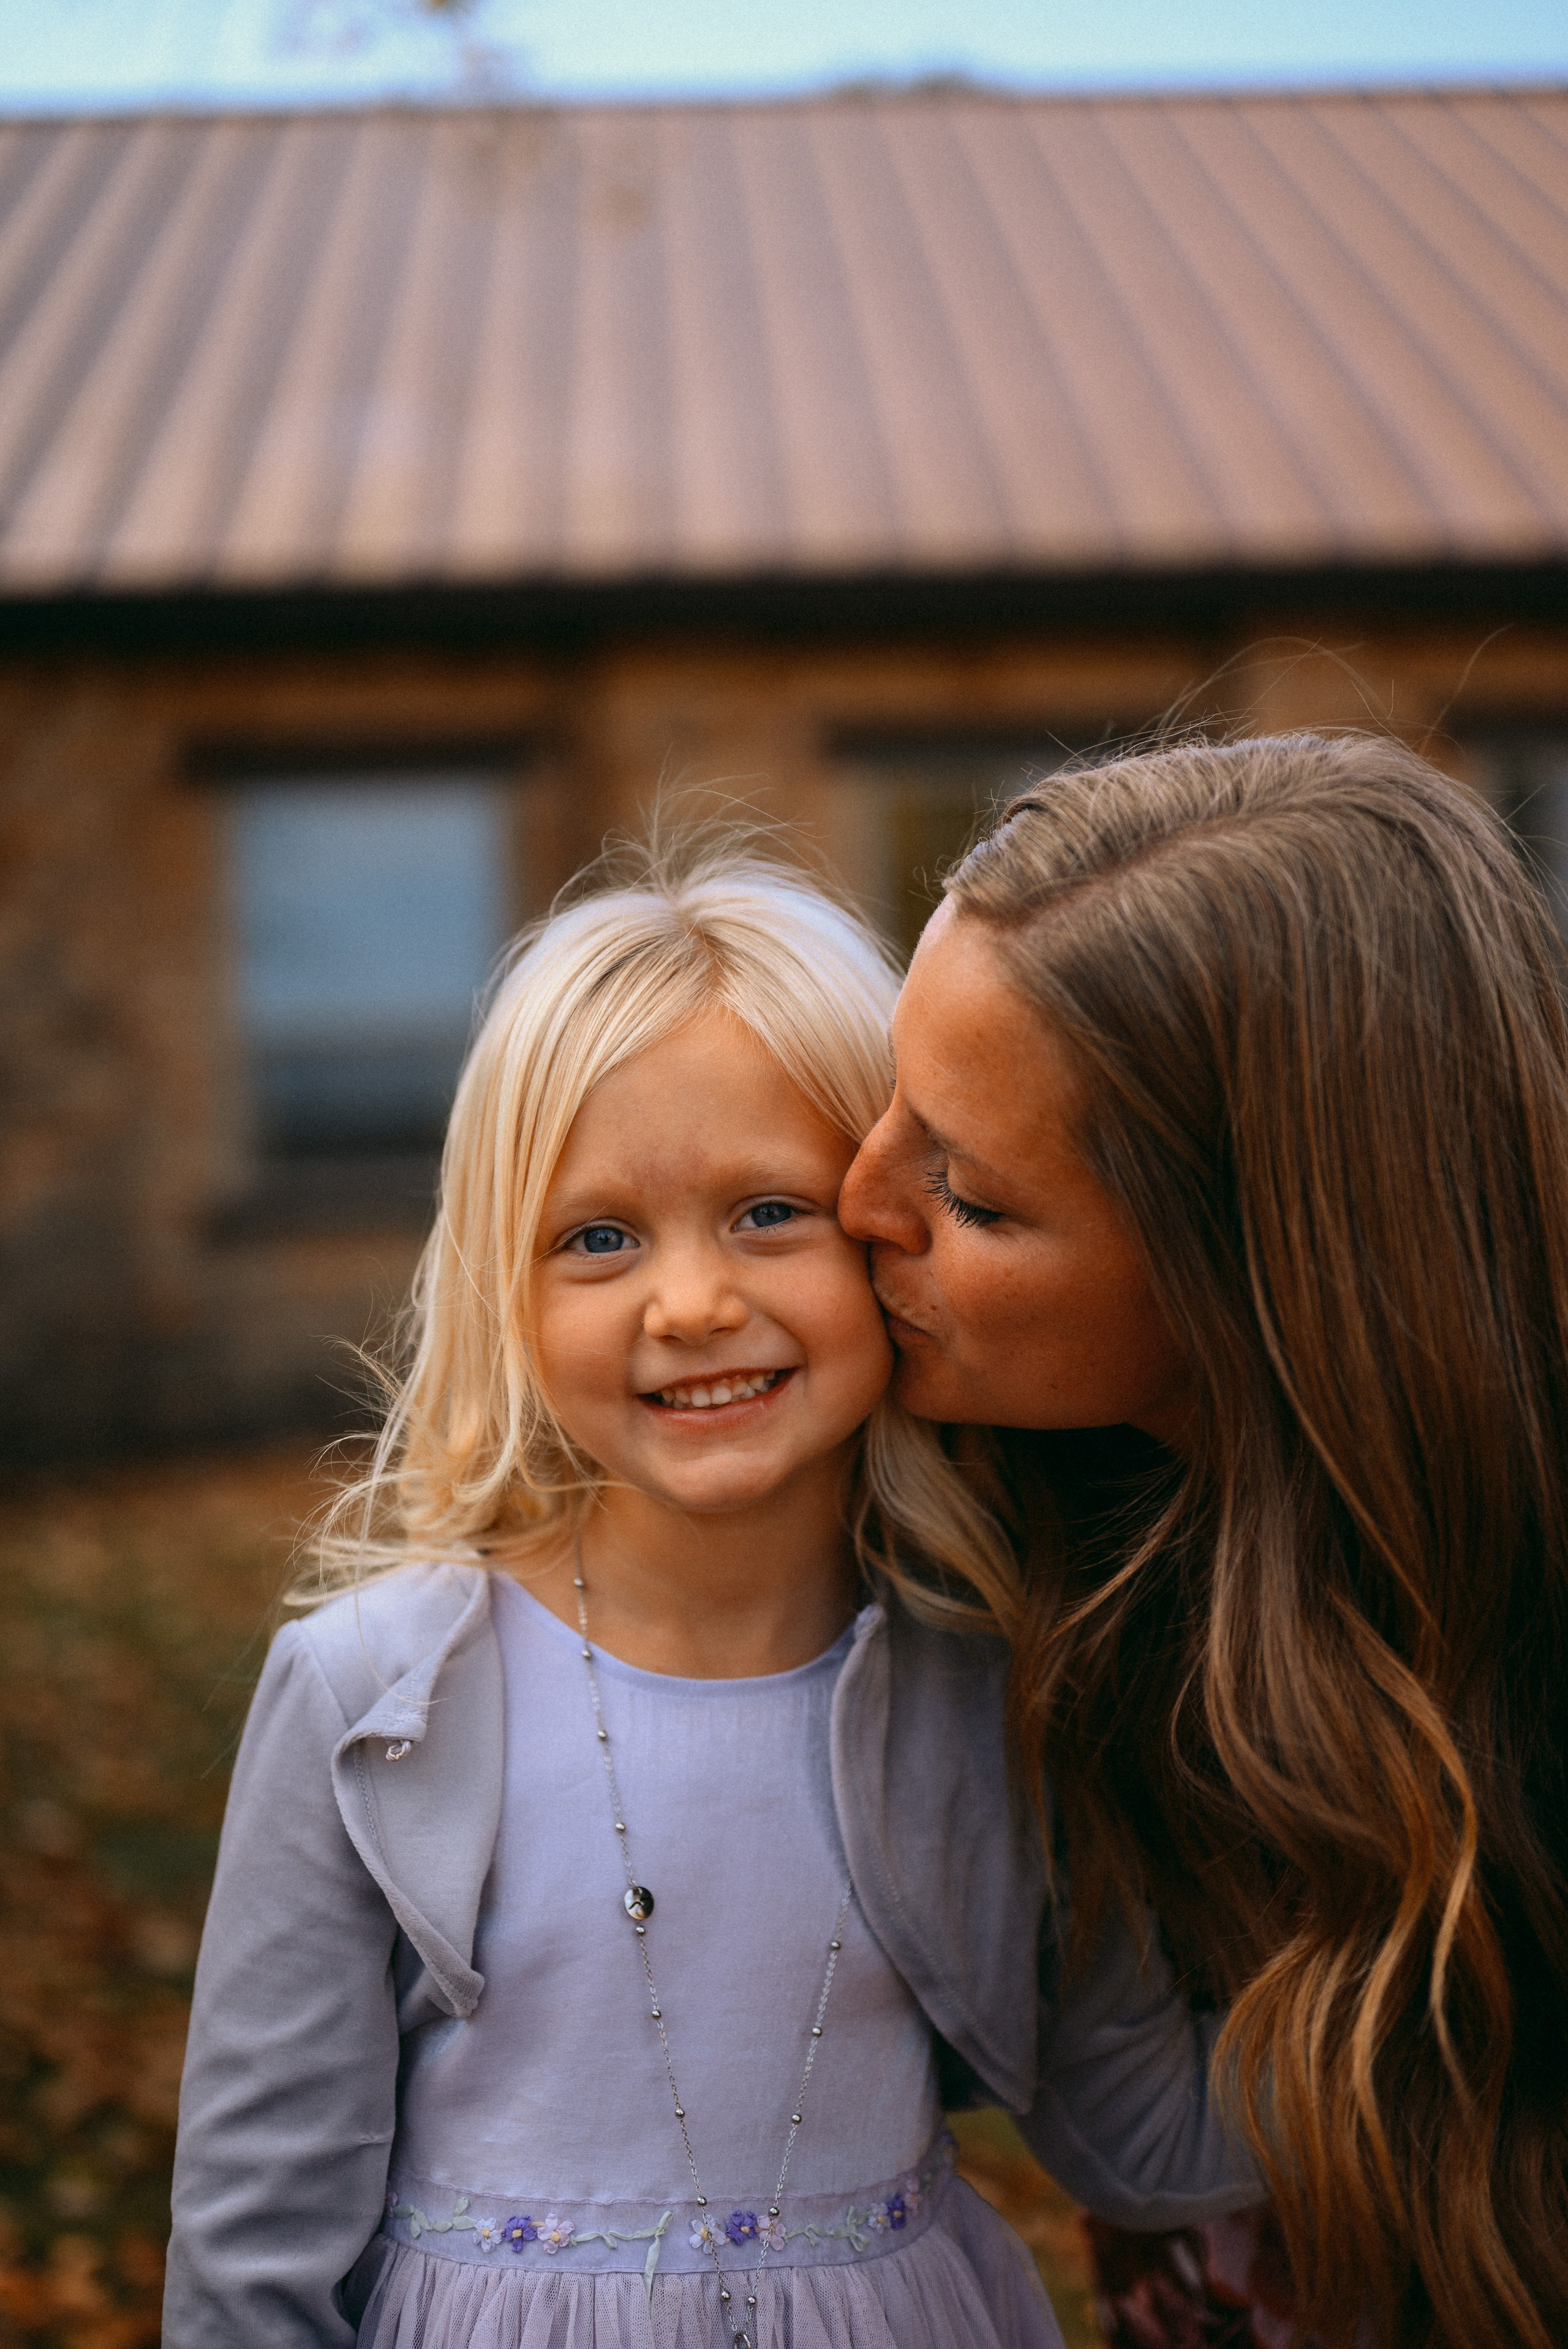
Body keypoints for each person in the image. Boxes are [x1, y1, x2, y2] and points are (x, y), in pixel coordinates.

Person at [164, 845, 1257, 2349]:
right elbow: (252, 2246)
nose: (689, 1302)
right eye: (597, 1238)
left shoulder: (994, 1677)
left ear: (889, 1227)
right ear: (509, 1288)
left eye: (767, 1212)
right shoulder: (376, 1699)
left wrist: (1463, 2021)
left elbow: (1138, 2125)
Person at [839, 732, 1568, 2349]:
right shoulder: (1029, 1544)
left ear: (1258, 1274)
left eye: (968, 1193)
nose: (856, 1194)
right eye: (889, 1102)